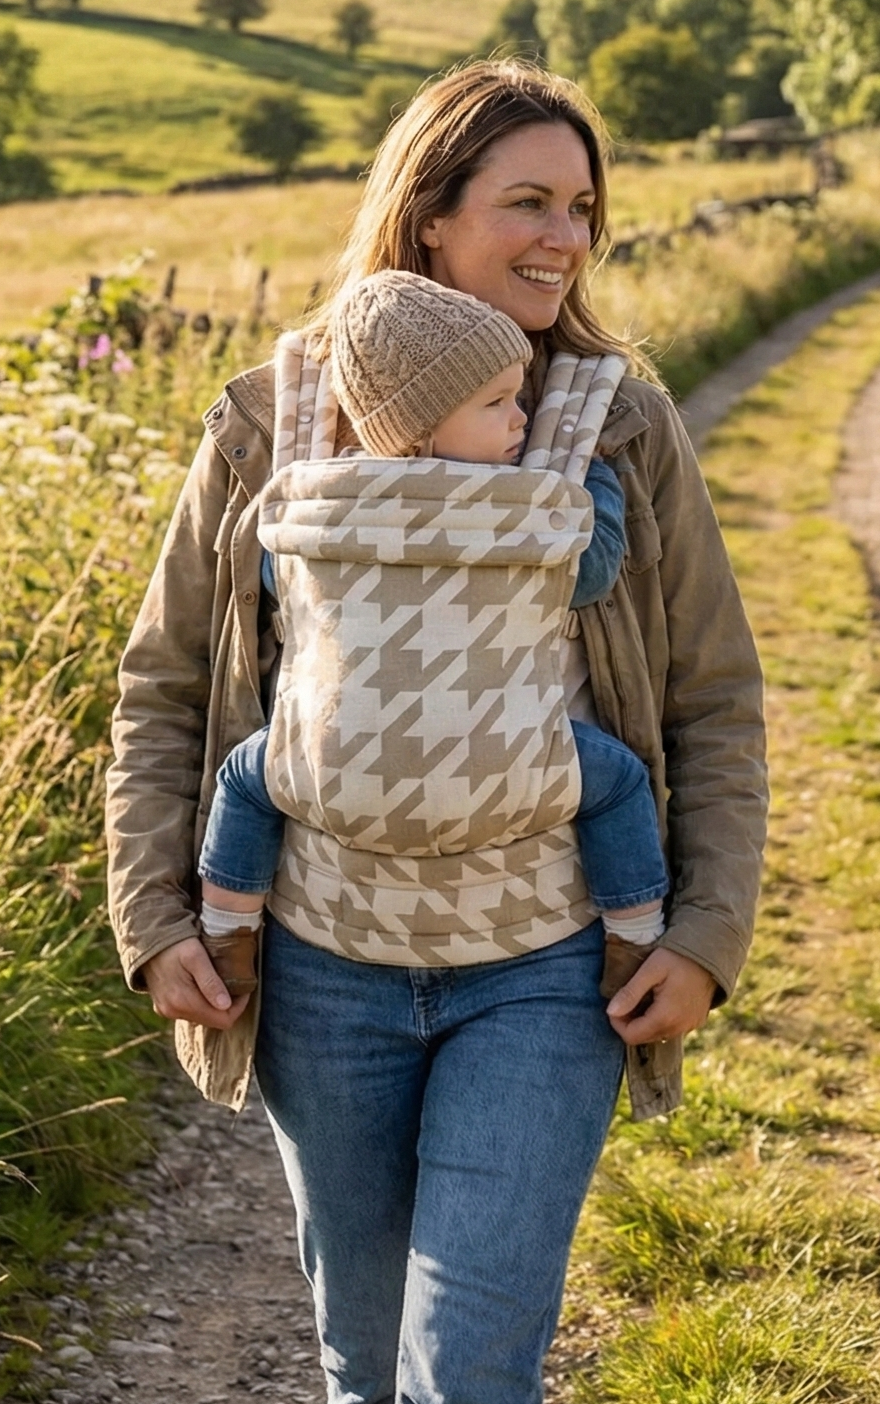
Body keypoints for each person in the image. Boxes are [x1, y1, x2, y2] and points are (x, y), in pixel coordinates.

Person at [105, 59, 768, 1404]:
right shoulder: (266, 422)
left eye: (583, 206)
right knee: (362, 1362)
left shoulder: (616, 426)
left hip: (542, 970)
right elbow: (168, 683)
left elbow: (712, 696)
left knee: (465, 1371)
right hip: (318, 970)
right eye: (527, 201)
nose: (564, 239)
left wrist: (703, 933)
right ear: (427, 220)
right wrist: (155, 913)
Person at [192, 269, 669, 1007]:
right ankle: (633, 937)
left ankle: (229, 936)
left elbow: (272, 573)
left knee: (246, 780)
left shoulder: (319, 493)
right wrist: (593, 484)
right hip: (505, 753)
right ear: (420, 427)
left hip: (334, 755)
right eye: (499, 404)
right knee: (618, 783)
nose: (521, 420)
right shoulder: (524, 513)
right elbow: (593, 571)